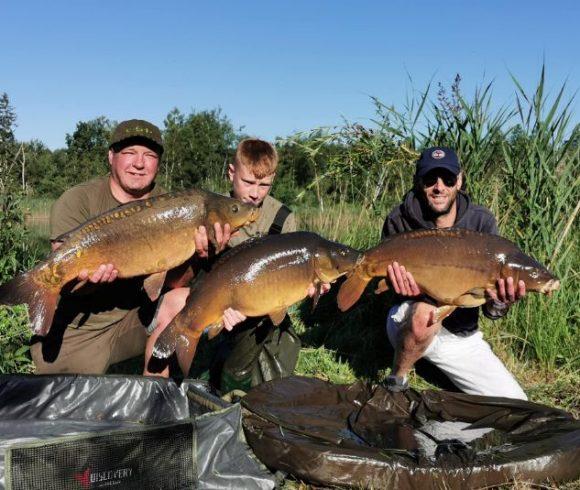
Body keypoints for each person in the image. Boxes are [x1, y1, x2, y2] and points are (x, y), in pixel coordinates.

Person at [31, 119, 231, 374]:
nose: (139, 163)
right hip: (82, 326)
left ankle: (152, 402)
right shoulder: (77, 200)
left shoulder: (173, 206)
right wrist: (90, 283)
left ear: (158, 164)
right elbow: (68, 288)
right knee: (61, 399)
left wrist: (200, 257)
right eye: (129, 153)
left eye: (149, 155)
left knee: (182, 300)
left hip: (135, 317)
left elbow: (172, 283)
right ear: (111, 156)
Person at [145, 138, 324, 390]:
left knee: (246, 364)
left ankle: (228, 385)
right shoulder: (213, 209)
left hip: (259, 301)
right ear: (231, 173)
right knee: (172, 303)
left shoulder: (283, 219)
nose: (255, 192)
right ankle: (157, 387)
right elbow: (182, 278)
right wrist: (200, 253)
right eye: (248, 182)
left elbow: (286, 280)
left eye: (265, 185)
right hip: (211, 294)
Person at [382, 146, 528, 399]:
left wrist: (500, 302)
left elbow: (491, 311)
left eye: (447, 179)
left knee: (515, 402)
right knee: (423, 315)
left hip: (461, 335)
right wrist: (399, 288)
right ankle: (398, 377)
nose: (439, 187)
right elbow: (388, 288)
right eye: (430, 179)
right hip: (411, 319)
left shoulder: (481, 223)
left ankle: (429, 358)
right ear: (419, 182)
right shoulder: (399, 219)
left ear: (459, 180)